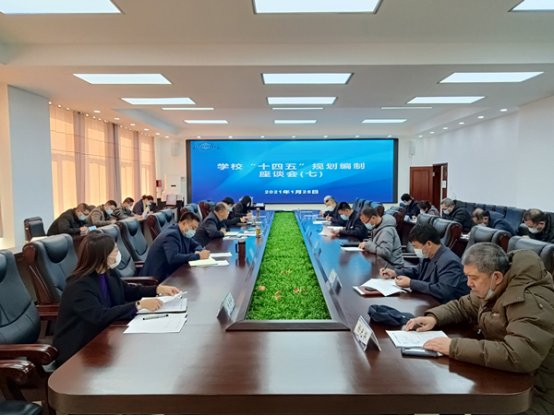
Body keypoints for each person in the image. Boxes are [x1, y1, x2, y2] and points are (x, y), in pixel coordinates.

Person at [406, 243, 554, 415]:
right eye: (467, 276)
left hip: (536, 392)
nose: (469, 284)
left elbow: (519, 355)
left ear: (496, 277)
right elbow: (463, 306)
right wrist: (434, 317)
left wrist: (453, 347)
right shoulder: (494, 286)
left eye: (473, 278)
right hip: (506, 375)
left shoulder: (528, 300)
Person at [53, 231, 181, 365]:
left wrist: (157, 289)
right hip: (79, 350)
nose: (119, 254)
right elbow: (100, 315)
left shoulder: (107, 272)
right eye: (115, 251)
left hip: (106, 335)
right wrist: (139, 305)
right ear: (102, 256)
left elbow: (128, 291)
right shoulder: (79, 286)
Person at [380, 224, 469, 303]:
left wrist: (411, 283)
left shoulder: (450, 261)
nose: (415, 250)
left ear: (429, 244)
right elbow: (417, 270)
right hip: (429, 299)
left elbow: (442, 290)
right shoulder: (429, 254)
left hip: (446, 306)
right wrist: (395, 273)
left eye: (416, 246)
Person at [140, 212, 210, 282]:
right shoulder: (171, 235)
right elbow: (173, 258)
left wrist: (198, 251)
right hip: (157, 278)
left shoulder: (184, 233)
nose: (194, 231)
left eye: (195, 229)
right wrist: (198, 256)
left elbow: (197, 245)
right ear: (183, 223)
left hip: (172, 273)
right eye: (193, 228)